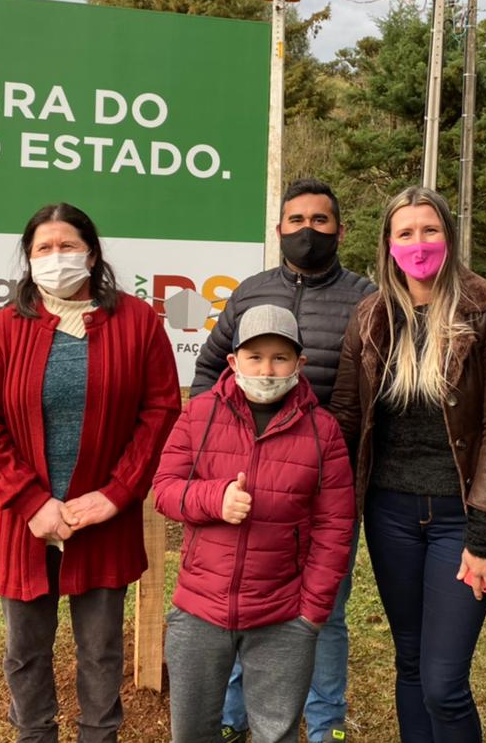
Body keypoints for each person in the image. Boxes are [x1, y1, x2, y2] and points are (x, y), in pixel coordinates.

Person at [0, 202, 181, 743]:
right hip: (25, 523)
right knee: (25, 651)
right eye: (43, 249)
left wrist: (116, 494)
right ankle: (34, 735)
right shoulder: (5, 329)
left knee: (102, 652)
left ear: (92, 252)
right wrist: (31, 502)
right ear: (28, 259)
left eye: (68, 246)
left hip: (103, 520)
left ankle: (98, 736)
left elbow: (161, 413)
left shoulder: (137, 323)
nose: (56, 258)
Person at [330, 186, 486, 743]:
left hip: (463, 517)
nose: (418, 242)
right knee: (409, 662)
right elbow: (344, 414)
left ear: (449, 236)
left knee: (443, 681)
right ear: (388, 244)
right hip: (390, 515)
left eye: (429, 229)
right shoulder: (369, 316)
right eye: (405, 233)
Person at [192, 177, 373, 743]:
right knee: (242, 598)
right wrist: (213, 444)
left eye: (320, 222)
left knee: (325, 608)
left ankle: (325, 723)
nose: (307, 232)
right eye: (296, 221)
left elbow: (377, 389)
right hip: (246, 475)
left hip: (325, 479)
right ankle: (233, 715)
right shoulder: (249, 292)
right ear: (279, 230)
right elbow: (209, 368)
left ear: (339, 230)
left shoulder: (366, 297)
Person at [155, 304, 355, 743]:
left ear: (300, 364)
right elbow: (165, 489)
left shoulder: (324, 432)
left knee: (276, 734)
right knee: (190, 732)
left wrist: (311, 613)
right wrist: (214, 498)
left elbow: (335, 527)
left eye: (280, 357)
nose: (267, 369)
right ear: (233, 362)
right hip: (199, 607)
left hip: (282, 615)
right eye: (255, 356)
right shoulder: (199, 414)